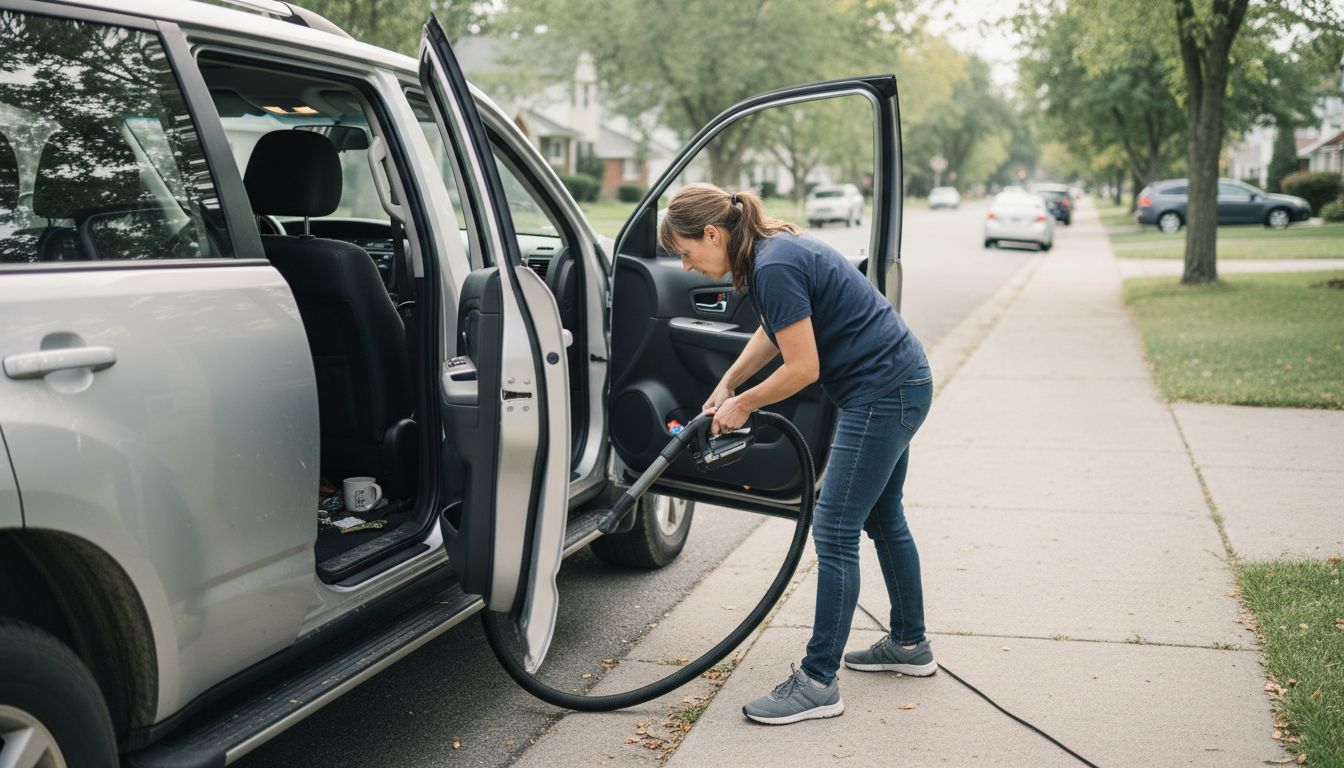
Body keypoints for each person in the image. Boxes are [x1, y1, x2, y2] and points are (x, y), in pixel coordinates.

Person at [657, 183, 935, 726]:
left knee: (833, 529)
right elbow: (773, 330)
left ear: (712, 233)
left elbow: (803, 368)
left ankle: (817, 682)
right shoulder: (770, 251)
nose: (687, 266)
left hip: (882, 394)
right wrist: (730, 382)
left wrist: (745, 405)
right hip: (900, 382)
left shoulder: (773, 264)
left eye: (688, 253)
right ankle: (909, 643)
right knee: (882, 516)